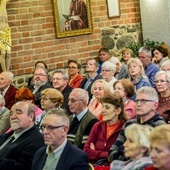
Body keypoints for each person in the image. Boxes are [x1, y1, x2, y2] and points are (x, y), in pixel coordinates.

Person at [108, 86, 165, 162]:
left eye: (143, 101)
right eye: (137, 100)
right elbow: (111, 153)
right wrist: (132, 153)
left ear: (155, 105)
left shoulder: (160, 127)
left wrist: (122, 150)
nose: (138, 104)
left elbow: (150, 158)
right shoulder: (129, 124)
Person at [84, 93, 127, 164]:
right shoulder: (97, 126)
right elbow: (86, 151)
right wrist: (109, 154)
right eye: (103, 107)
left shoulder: (125, 128)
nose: (103, 111)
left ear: (118, 111)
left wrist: (95, 153)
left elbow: (122, 156)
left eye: (107, 107)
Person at [0, 101, 45, 170]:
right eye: (11, 113)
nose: (13, 117)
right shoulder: (10, 135)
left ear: (31, 117)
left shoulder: (37, 140)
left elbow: (23, 167)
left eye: (18, 112)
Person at [0, 0, 11, 71]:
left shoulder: (4, 2)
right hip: (0, 32)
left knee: (9, 53)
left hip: (6, 31)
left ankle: (8, 71)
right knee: (3, 53)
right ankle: (4, 71)